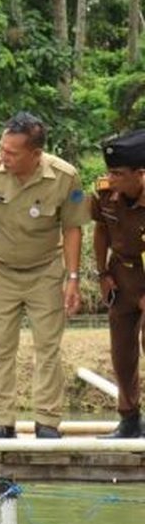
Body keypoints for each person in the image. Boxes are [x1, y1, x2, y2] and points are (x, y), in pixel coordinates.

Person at [0, 112, 89, 439]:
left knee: (47, 347)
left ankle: (47, 421)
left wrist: (72, 278)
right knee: (1, 346)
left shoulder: (64, 177)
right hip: (0, 270)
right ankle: (2, 420)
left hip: (45, 271)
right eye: (2, 148)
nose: (5, 156)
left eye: (12, 152)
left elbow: (72, 229)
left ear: (36, 153)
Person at [90, 129, 145, 438]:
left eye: (118, 174)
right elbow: (101, 230)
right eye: (109, 172)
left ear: (140, 174)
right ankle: (129, 419)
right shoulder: (104, 192)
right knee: (122, 352)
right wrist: (102, 274)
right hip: (121, 277)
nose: (111, 180)